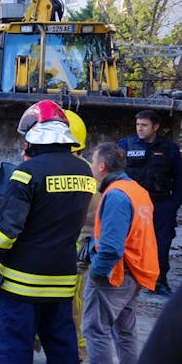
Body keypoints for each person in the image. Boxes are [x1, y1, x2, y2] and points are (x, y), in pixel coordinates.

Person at [0, 100, 96, 364]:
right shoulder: (84, 171)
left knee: (13, 350)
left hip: (21, 283)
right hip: (62, 281)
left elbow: (6, 231)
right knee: (63, 349)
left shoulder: (27, 173)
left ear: (36, 134)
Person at [82, 142, 158, 364]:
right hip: (135, 271)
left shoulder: (116, 196)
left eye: (93, 162)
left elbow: (111, 248)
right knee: (124, 332)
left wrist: (96, 274)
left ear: (102, 166)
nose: (92, 167)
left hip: (115, 275)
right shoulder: (137, 190)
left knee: (95, 330)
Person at [118, 109, 182, 296]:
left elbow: (179, 178)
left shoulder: (169, 148)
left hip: (160, 205)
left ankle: (158, 281)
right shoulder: (125, 145)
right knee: (127, 243)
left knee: (161, 245)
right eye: (138, 125)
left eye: (144, 125)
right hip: (132, 205)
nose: (140, 129)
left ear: (156, 127)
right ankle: (125, 280)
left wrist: (173, 205)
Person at [66, 110, 96, 362]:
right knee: (78, 301)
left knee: (73, 304)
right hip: (83, 246)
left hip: (71, 248)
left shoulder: (48, 169)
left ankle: (77, 351)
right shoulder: (90, 170)